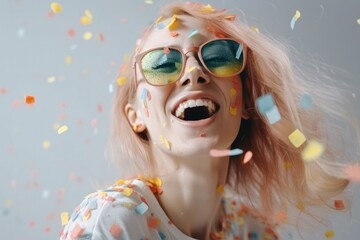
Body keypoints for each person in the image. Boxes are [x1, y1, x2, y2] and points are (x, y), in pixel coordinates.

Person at [60, 2, 359, 240]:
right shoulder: (110, 222)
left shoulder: (254, 233)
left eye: (218, 57)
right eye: (163, 63)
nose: (194, 72)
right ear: (136, 117)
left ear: (244, 102)